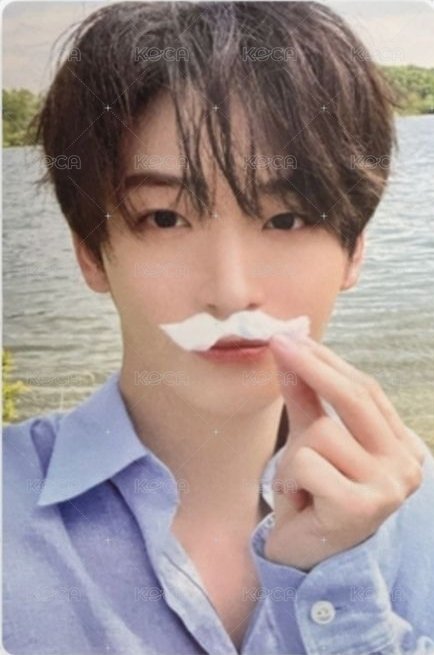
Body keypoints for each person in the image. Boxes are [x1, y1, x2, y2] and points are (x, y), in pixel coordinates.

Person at [3, 2, 434, 654]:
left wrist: (335, 587)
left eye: (287, 219)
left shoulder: (418, 511)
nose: (231, 291)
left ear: (354, 251)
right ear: (90, 253)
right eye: (165, 219)